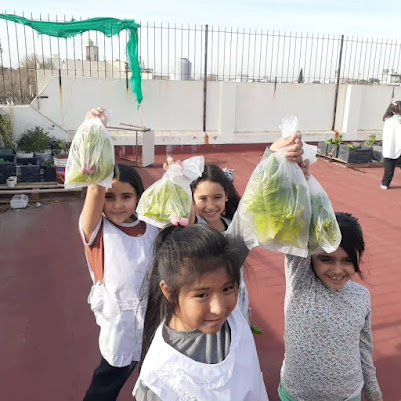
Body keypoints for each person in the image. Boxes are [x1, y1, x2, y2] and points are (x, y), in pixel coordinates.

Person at [133, 224, 270, 401]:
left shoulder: (231, 320)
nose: (219, 308)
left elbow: (251, 211)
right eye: (202, 295)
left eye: (227, 288)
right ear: (169, 292)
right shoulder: (160, 383)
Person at [79, 109, 159, 401]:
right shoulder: (95, 231)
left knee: (154, 382)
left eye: (126, 197)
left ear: (139, 197)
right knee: (106, 386)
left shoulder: (151, 229)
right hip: (119, 328)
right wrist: (97, 137)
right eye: (109, 197)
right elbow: (95, 192)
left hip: (153, 323)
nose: (116, 205)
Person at [278, 212, 383, 401]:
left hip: (348, 395)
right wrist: (303, 184)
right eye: (326, 259)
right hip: (298, 396)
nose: (337, 270)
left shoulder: (361, 296)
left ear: (360, 257)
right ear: (310, 255)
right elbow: (296, 227)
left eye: (348, 260)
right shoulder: (301, 283)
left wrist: (372, 388)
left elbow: (364, 346)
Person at [381, 100, 401, 189]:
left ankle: (385, 184)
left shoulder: (387, 120)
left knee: (388, 168)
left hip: (388, 148)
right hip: (399, 147)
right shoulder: (399, 121)